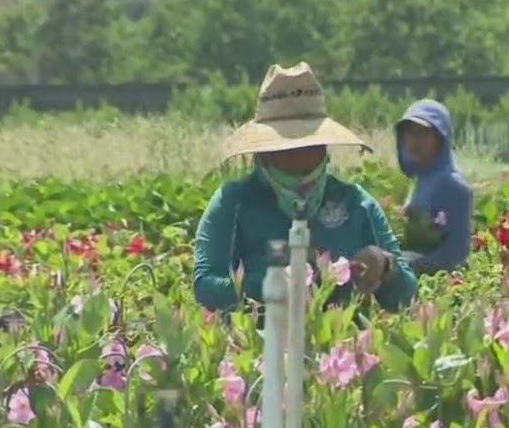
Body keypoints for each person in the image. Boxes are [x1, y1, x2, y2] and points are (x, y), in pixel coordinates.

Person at [193, 62, 418, 315]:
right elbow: (206, 287)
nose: (299, 161)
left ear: (325, 149)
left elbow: (406, 294)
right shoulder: (233, 203)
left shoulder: (356, 204)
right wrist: (276, 282)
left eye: (310, 148)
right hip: (260, 345)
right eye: (286, 150)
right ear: (263, 154)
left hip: (340, 345)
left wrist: (386, 267)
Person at [394, 99, 474, 274]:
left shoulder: (453, 185)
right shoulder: (423, 177)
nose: (414, 140)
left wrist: (411, 267)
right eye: (409, 132)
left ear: (441, 137)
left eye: (423, 132)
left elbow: (457, 251)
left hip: (438, 280)